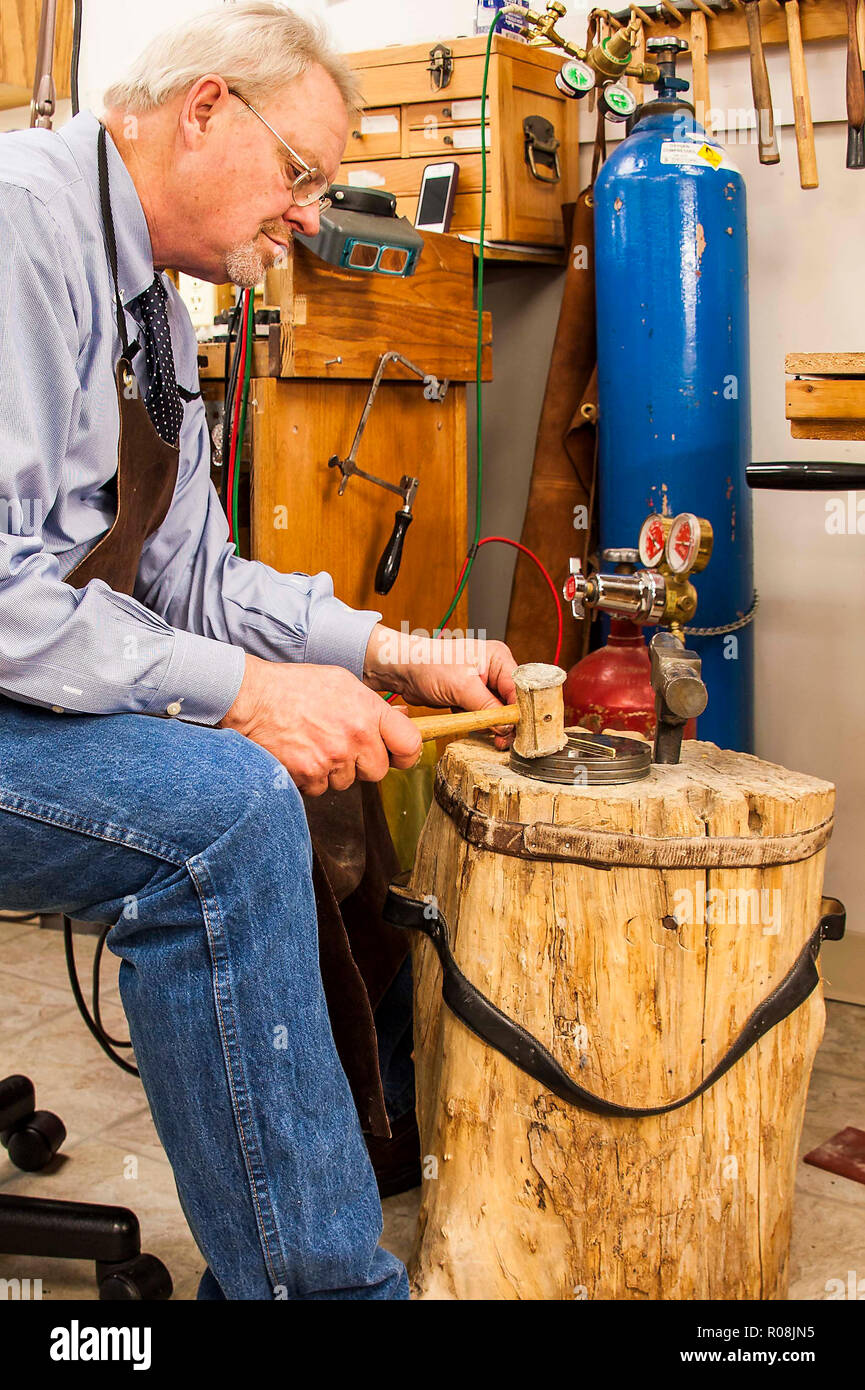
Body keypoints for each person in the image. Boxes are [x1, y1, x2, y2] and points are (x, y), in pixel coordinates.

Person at [0, 2, 516, 1299]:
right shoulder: (19, 231)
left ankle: (369, 1156)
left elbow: (198, 583)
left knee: (321, 758)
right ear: (205, 108)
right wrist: (244, 696)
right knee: (224, 809)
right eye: (301, 174)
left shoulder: (152, 316)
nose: (307, 212)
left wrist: (392, 651)